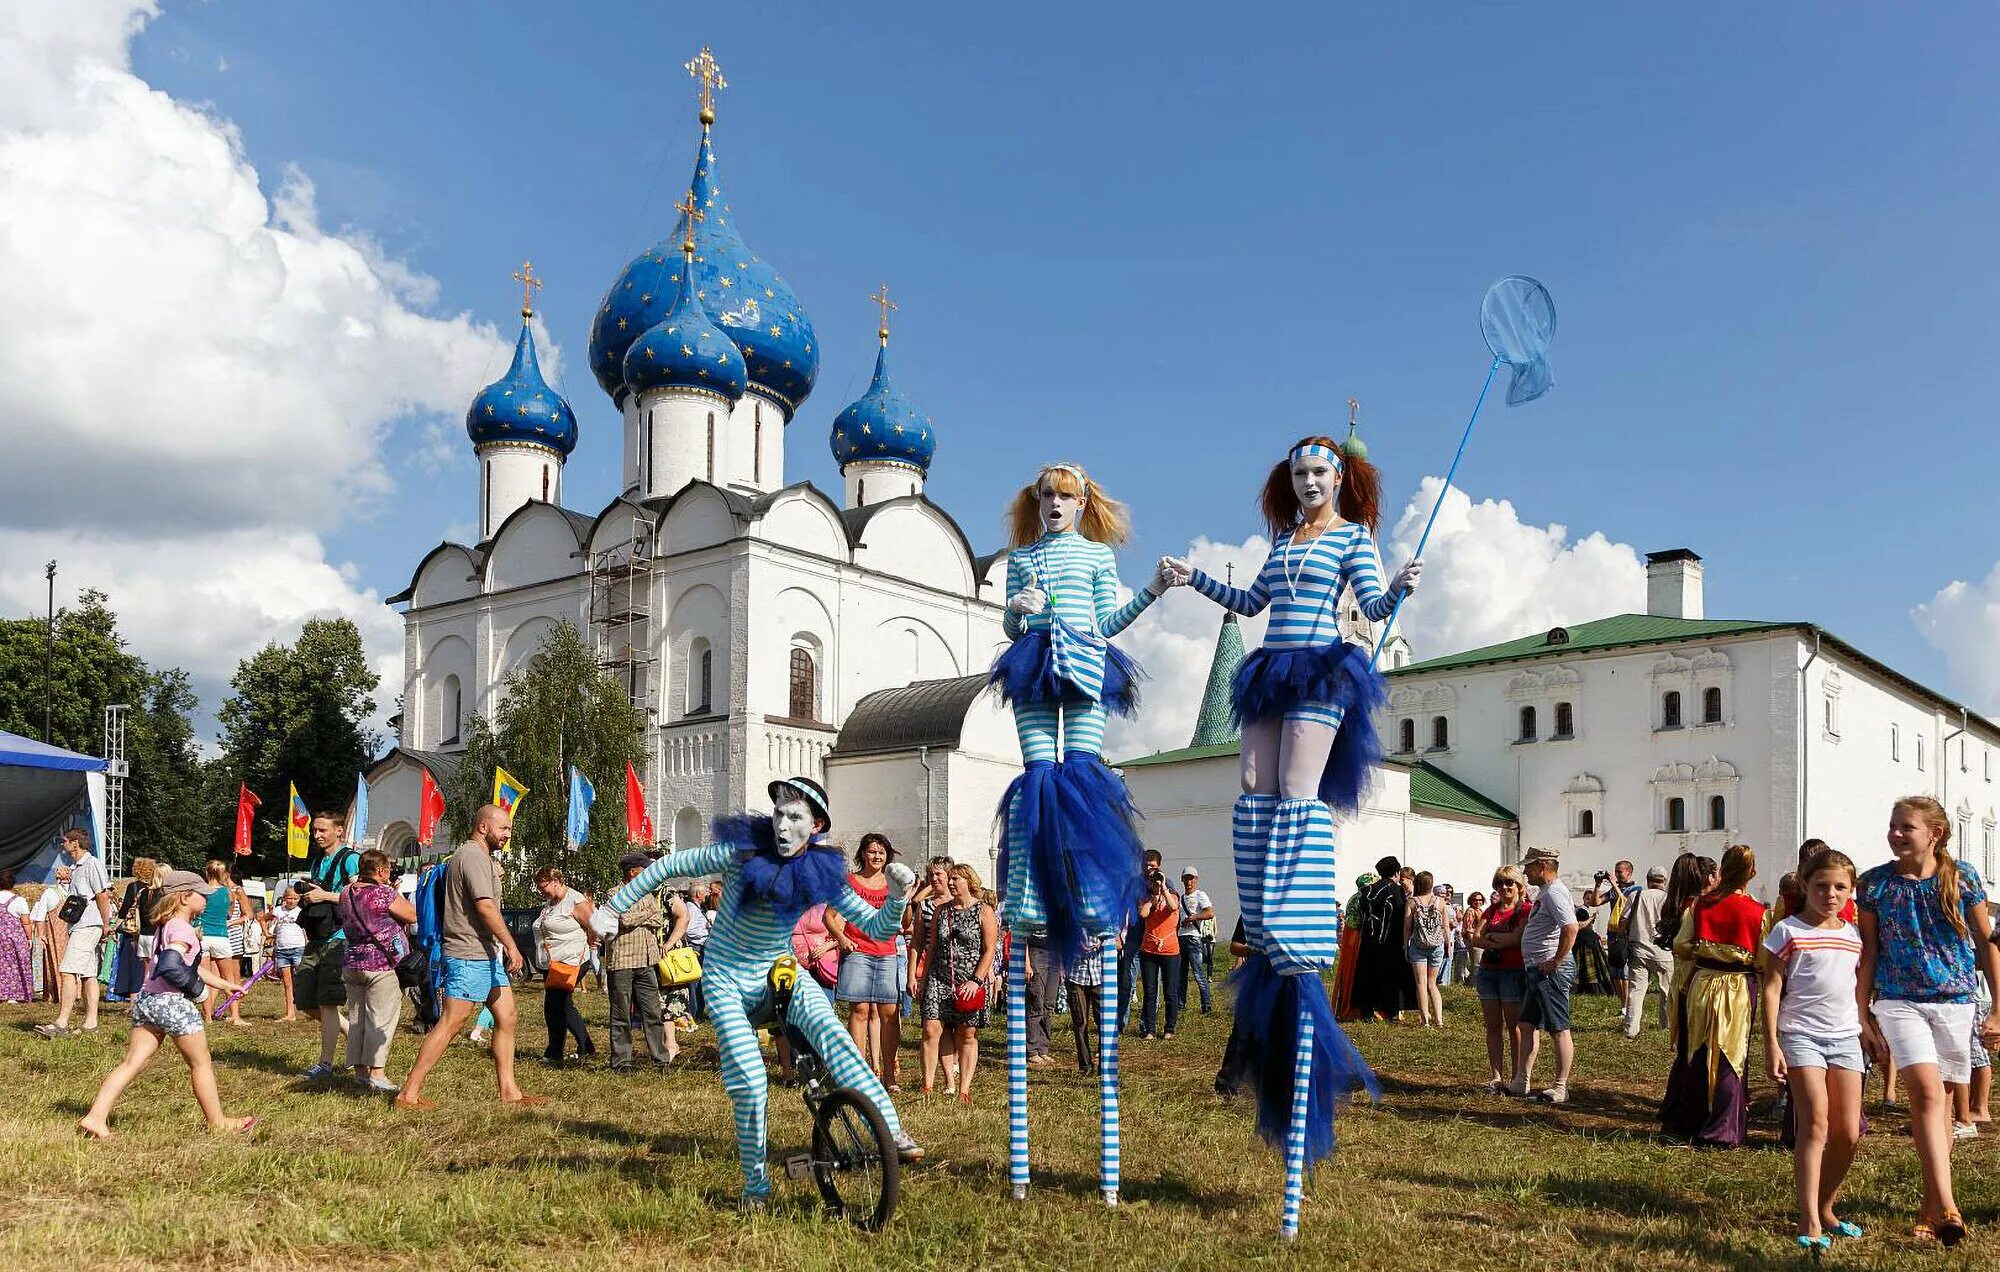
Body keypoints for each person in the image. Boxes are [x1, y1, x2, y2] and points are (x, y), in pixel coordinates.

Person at [592, 777, 923, 1208]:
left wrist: (897, 897)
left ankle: (891, 1130)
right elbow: (665, 867)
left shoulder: (822, 873)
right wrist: (613, 908)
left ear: (817, 826)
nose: (783, 826)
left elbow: (878, 928)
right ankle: (756, 1188)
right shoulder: (740, 853)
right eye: (779, 814)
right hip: (726, 978)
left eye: (796, 817)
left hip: (775, 972)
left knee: (836, 1036)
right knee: (750, 1080)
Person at [1856, 796, 1999, 1247]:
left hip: (1957, 1000)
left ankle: (1931, 1206)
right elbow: (1870, 951)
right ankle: (1949, 1205)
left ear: (1933, 833)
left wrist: (1998, 1006)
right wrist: (1862, 1012)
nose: (1895, 834)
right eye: (1893, 825)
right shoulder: (1874, 884)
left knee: (1941, 1103)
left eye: (1906, 827)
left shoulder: (1963, 877)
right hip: (1899, 1000)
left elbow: (1986, 943)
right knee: (1925, 1091)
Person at [77, 869, 255, 1138]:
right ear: (184, 897)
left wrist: (223, 984)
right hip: (173, 1005)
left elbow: (189, 965)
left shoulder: (166, 925)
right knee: (201, 1063)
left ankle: (96, 1117)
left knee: (132, 1062)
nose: (207, 899)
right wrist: (199, 992)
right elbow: (173, 966)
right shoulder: (182, 929)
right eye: (201, 895)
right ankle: (217, 1121)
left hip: (148, 1001)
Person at [395, 805, 545, 1110]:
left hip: (485, 954)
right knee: (452, 1022)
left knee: (507, 1016)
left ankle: (509, 1092)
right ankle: (408, 1094)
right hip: (468, 953)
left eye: (510, 830)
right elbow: (486, 907)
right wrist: (512, 946)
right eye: (503, 829)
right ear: (483, 827)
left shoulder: (478, 858)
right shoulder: (473, 856)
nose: (507, 835)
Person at [1762, 847, 1866, 1254]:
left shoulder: (1855, 936)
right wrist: (1772, 1042)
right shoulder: (1787, 931)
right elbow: (1771, 988)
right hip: (1801, 1034)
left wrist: (1868, 1027)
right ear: (1805, 886)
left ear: (1851, 891)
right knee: (1815, 1124)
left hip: (1845, 1037)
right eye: (1821, 886)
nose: (1831, 894)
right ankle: (1807, 1216)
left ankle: (1826, 1205)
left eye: (1841, 887)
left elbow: (1859, 987)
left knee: (1849, 1131)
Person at [1660, 843, 1764, 1146]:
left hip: (1702, 982)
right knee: (1732, 1053)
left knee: (1697, 1050)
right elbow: (1763, 960)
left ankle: (1690, 1118)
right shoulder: (1759, 912)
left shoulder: (1701, 906)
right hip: (1739, 987)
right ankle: (1724, 1126)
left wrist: (1706, 949)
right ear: (1752, 872)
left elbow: (1680, 945)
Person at [339, 849, 417, 1093]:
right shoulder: (384, 893)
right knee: (380, 1020)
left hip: (353, 962)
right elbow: (412, 915)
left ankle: (361, 1072)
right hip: (382, 964)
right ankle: (377, 1074)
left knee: (357, 1019)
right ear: (381, 870)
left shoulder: (346, 892)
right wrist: (393, 889)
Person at [921, 861, 997, 1105]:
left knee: (967, 1033)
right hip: (940, 976)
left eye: (956, 879)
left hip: (970, 979)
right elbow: (932, 944)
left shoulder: (983, 910)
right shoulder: (942, 910)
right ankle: (930, 1084)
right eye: (950, 879)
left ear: (969, 882)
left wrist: (977, 980)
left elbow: (989, 949)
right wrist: (923, 977)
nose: (951, 883)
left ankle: (964, 1087)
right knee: (932, 1028)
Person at [1509, 847, 1579, 1103]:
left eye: (1528, 866)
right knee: (1527, 1025)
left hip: (1548, 970)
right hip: (1537, 968)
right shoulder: (1546, 893)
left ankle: (1560, 1086)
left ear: (1542, 866)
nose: (1525, 872)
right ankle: (1521, 1081)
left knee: (1558, 1027)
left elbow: (1570, 927)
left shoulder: (1555, 893)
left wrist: (1556, 961)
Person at [296, 810, 362, 1079]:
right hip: (317, 936)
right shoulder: (316, 862)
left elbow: (359, 897)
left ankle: (325, 1064)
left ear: (339, 831)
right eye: (314, 830)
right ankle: (352, 1035)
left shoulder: (350, 860)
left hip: (339, 939)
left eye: (322, 830)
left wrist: (324, 895)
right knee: (303, 998)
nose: (317, 835)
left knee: (327, 1002)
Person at [835, 833, 904, 1091]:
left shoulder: (892, 882)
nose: (877, 856)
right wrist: (841, 937)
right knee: (860, 1011)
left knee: (889, 1014)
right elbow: (830, 916)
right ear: (863, 853)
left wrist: (904, 896)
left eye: (881, 852)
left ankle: (889, 1075)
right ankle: (860, 1074)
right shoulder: (851, 881)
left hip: (886, 952)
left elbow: (904, 923)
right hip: (859, 952)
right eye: (872, 851)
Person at [37, 829, 112, 1037]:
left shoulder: (92, 864)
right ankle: (90, 1024)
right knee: (88, 975)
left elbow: (102, 895)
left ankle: (61, 1023)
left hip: (88, 925)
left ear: (75, 843)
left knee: (68, 970)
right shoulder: (76, 868)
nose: (63, 845)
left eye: (65, 841)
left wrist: (106, 924)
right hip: (80, 925)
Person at [605, 851, 675, 1072]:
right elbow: (623, 919)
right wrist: (644, 915)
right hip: (622, 961)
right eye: (645, 870)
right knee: (621, 1013)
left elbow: (658, 917)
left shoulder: (647, 895)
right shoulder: (614, 893)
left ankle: (660, 1058)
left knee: (653, 1012)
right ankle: (622, 1061)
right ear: (633, 872)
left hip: (647, 960)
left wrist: (640, 915)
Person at [1469, 867, 1528, 1092]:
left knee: (1515, 1027)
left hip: (1512, 971)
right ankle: (1496, 1076)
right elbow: (1475, 938)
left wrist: (1491, 938)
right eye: (1500, 884)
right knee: (1493, 1026)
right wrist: (1498, 941)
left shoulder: (1525, 910)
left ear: (1518, 886)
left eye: (1509, 883)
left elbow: (1517, 939)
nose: (1504, 888)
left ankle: (1517, 1076)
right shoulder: (1490, 911)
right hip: (1489, 971)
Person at [531, 865, 597, 1067]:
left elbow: (593, 924)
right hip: (553, 962)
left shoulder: (575, 900)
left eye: (543, 886)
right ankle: (587, 1046)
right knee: (564, 1005)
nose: (541, 891)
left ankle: (554, 1053)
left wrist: (591, 942)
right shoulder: (551, 903)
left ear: (556, 881)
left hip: (570, 961)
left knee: (554, 1007)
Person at [910, 857, 961, 1096]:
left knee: (951, 1030)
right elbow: (918, 943)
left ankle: (950, 1081)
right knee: (931, 1028)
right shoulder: (926, 906)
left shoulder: (964, 905)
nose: (934, 879)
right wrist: (914, 975)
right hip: (933, 973)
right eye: (931, 875)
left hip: (959, 974)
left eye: (938, 874)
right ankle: (927, 1084)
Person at [1350, 858, 1416, 1021]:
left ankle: (1367, 1012)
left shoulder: (1368, 890)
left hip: (1368, 941)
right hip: (1390, 942)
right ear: (1396, 872)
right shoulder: (1396, 890)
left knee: (1368, 975)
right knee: (1391, 977)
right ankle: (1391, 1012)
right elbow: (1401, 916)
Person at [1621, 866, 1675, 1038]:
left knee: (1636, 990)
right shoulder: (1669, 899)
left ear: (1648, 879)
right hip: (1663, 949)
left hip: (1638, 947)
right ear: (1664, 881)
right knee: (1666, 990)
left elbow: (1622, 921)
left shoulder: (1636, 895)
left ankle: (1631, 1029)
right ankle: (1665, 1026)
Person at [1585, 861, 1641, 1014]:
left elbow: (1624, 901)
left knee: (1624, 972)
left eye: (1620, 872)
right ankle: (1623, 1004)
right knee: (1615, 971)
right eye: (1615, 872)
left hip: (1626, 935)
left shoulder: (1636, 889)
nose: (1617, 875)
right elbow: (1595, 902)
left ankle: (1629, 1006)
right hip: (1613, 934)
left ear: (1629, 872)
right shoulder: (1613, 890)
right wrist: (1597, 885)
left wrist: (1613, 884)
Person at [1136, 867, 1182, 1040]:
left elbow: (1173, 906)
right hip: (1149, 950)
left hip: (1170, 950)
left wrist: (1164, 889)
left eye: (1159, 880)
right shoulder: (1145, 899)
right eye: (1153, 881)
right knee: (1150, 992)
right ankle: (1150, 1030)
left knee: (1170, 991)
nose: (1156, 883)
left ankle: (1169, 1028)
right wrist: (1152, 899)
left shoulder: (1173, 896)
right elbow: (1143, 914)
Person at [110, 857, 160, 1003]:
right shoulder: (157, 889)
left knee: (133, 968)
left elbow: (124, 911)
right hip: (154, 932)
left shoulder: (134, 887)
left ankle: (134, 1001)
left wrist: (115, 928)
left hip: (134, 932)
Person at [1403, 870, 1448, 1027]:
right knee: (1432, 984)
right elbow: (1446, 927)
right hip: (1437, 945)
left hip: (1418, 945)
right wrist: (1447, 945)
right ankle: (1439, 1019)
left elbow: (1407, 928)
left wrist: (1405, 946)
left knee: (1421, 983)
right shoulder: (1440, 902)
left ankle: (1425, 1020)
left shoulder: (1412, 902)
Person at [1065, 931, 1108, 1075]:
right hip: (1076, 975)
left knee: (1104, 1022)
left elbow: (1118, 941)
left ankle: (1105, 1063)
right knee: (1080, 1022)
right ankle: (1085, 1066)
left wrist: (1102, 943)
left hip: (1099, 975)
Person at [1177, 867, 1215, 1015]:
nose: (1189, 881)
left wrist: (1193, 918)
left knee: (1198, 973)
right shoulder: (1181, 898)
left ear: (1196, 879)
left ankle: (1206, 1005)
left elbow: (1210, 912)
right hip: (1181, 937)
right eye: (1186, 878)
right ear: (1182, 880)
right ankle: (1181, 1004)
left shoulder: (1200, 895)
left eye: (1191, 878)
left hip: (1193, 938)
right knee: (1182, 974)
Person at [268, 887, 306, 1022]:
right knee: (287, 982)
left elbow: (305, 930)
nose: (292, 901)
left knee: (301, 980)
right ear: (284, 898)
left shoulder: (301, 911)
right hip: (282, 949)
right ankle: (290, 1013)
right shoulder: (278, 910)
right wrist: (267, 933)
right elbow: (264, 918)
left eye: (296, 898)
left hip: (298, 948)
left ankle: (307, 1006)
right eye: (290, 898)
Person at [0, 868, 34, 1002]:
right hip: (14, 938)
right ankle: (14, 995)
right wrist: (29, 938)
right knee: (16, 964)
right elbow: (26, 923)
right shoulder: (19, 900)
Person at [1453, 889, 1484, 989]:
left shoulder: (1479, 910)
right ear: (1471, 900)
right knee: (1476, 964)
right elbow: (1468, 928)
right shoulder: (1470, 911)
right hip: (1474, 941)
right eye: (1475, 900)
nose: (1478, 901)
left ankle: (1470, 983)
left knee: (1477, 963)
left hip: (1480, 940)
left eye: (1480, 900)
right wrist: (1473, 942)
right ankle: (1471, 985)